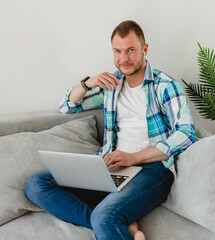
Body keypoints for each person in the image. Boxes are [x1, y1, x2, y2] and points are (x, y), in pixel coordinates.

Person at [25, 20, 196, 240]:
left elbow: (187, 133)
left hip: (152, 169)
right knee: (37, 184)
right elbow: (67, 107)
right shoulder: (112, 86)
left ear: (145, 49)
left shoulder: (164, 85)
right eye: (117, 51)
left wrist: (133, 157)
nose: (123, 59)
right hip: (110, 167)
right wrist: (89, 83)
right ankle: (124, 226)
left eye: (131, 50)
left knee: (104, 216)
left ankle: (109, 220)